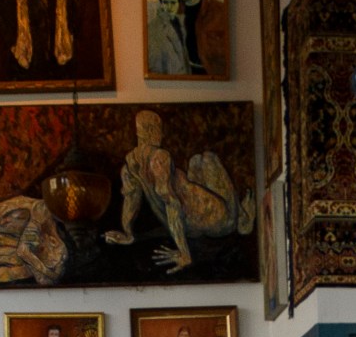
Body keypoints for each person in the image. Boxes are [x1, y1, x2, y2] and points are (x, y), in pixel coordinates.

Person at [104, 108, 256, 272]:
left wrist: (128, 233)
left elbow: (131, 201)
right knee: (207, 158)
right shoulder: (159, 157)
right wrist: (184, 253)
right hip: (222, 221)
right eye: (159, 129)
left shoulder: (129, 165)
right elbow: (172, 203)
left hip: (191, 227)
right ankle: (243, 219)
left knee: (195, 161)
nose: (161, 135)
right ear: (151, 131)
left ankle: (238, 214)